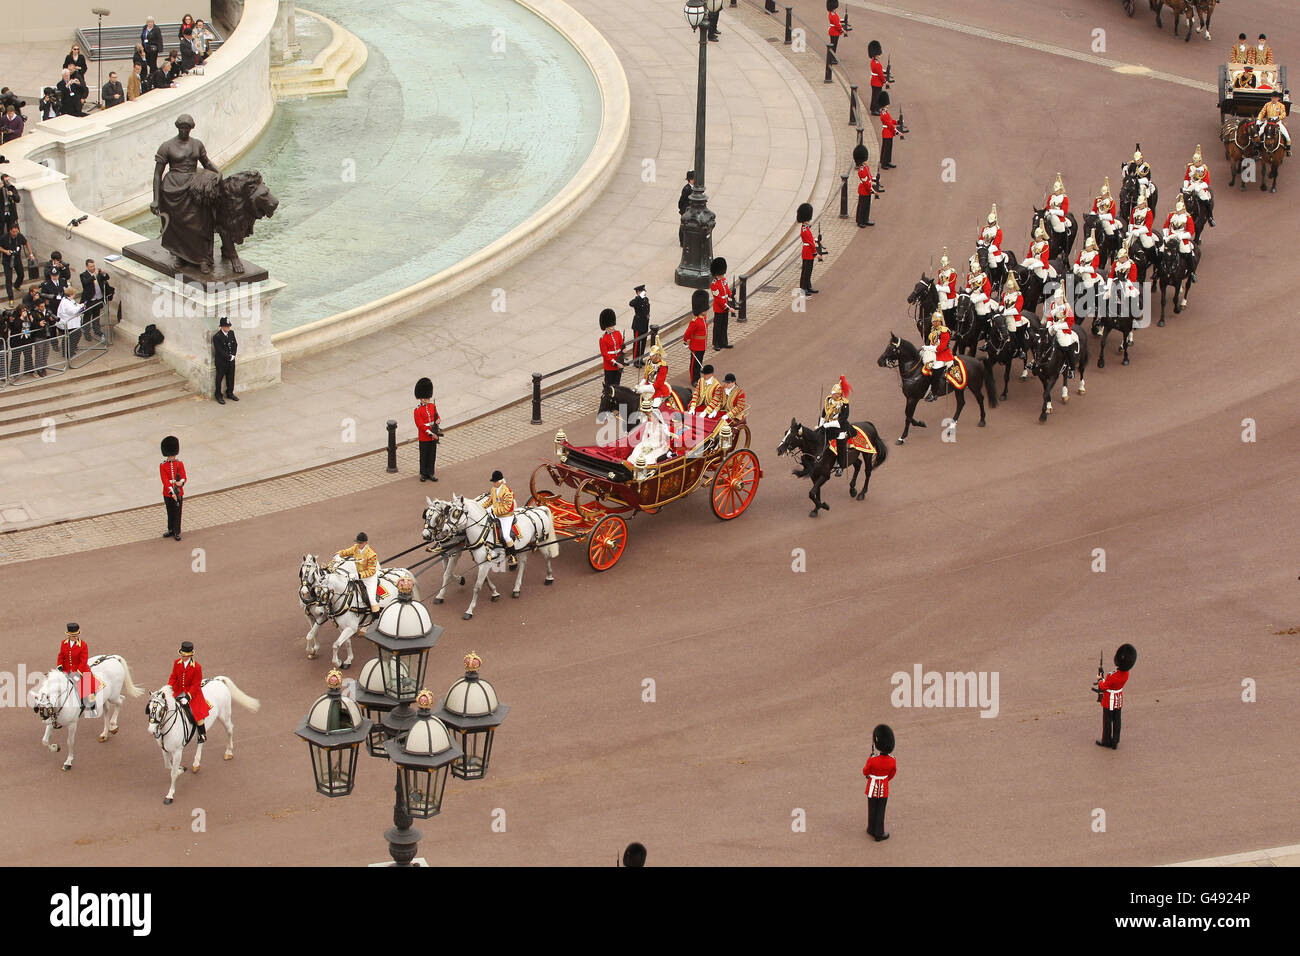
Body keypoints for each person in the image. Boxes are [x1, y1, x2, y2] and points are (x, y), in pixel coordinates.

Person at [151, 114, 222, 273]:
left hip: (193, 187)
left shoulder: (197, 144)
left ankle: (202, 258)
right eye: (181, 127)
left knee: (200, 223)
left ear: (191, 128)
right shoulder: (167, 146)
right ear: (177, 127)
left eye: (187, 128)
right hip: (172, 190)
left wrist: (218, 171)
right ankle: (180, 256)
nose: (184, 130)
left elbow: (206, 162)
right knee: (178, 225)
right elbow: (157, 174)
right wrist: (156, 199)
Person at [1093, 644, 1137, 749]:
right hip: (1118, 699)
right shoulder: (1126, 674)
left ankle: (1106, 740)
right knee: (1117, 720)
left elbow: (1104, 686)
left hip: (1109, 700)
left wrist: (1100, 679)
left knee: (1107, 721)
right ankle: (1115, 741)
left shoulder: (1112, 675)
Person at [168, 642, 208, 743]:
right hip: (178, 690)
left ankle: (202, 734)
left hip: (192, 693)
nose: (182, 657)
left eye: (184, 656)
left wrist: (187, 697)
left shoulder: (197, 667)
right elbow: (173, 677)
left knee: (197, 712)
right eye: (182, 655)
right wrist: (169, 687)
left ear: (190, 656)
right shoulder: (177, 663)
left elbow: (196, 685)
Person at [863, 724, 896, 842]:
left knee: (872, 807)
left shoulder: (873, 759)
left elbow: (865, 771)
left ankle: (871, 828)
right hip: (883, 787)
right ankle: (879, 833)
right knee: (880, 810)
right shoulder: (892, 760)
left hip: (872, 786)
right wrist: (884, 780)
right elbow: (892, 774)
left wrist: (870, 759)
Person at [336, 532, 381, 612]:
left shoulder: (372, 554)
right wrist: (338, 555)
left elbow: (371, 571)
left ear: (365, 543)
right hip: (357, 575)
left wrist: (357, 575)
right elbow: (345, 552)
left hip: (369, 579)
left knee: (372, 599)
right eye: (358, 542)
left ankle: (376, 614)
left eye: (360, 543)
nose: (358, 544)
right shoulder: (355, 548)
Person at [57, 623, 96, 713]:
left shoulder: (83, 645)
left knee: (88, 684)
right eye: (73, 636)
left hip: (80, 669)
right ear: (69, 635)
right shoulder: (63, 643)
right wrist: (59, 665)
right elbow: (61, 655)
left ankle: (91, 702)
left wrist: (78, 673)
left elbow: (83, 661)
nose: (75, 637)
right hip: (67, 669)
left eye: (77, 635)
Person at [999, 271, 1031, 378]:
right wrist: (1000, 308)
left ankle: (1021, 350)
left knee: (1015, 333)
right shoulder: (1005, 295)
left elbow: (1017, 309)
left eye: (1011, 288)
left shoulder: (1019, 296)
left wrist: (1005, 312)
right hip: (1005, 316)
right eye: (1008, 288)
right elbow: (1002, 304)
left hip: (1015, 318)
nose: (1009, 290)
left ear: (1014, 287)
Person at [817, 376, 851, 476]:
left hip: (840, 427)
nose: (832, 394)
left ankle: (840, 465)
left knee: (840, 444)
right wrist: (820, 426)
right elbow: (824, 413)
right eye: (832, 393)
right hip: (827, 425)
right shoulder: (829, 400)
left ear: (839, 394)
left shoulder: (844, 404)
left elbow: (842, 419)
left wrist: (826, 425)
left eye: (834, 393)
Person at [598, 307, 626, 420]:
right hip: (610, 367)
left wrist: (623, 350)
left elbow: (621, 344)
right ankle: (605, 411)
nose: (612, 328)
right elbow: (605, 354)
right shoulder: (603, 339)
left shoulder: (618, 333)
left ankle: (614, 406)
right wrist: (615, 363)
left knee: (617, 387)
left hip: (618, 365)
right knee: (609, 389)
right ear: (606, 327)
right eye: (610, 326)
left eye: (612, 326)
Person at [921, 312, 954, 400]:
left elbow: (942, 348)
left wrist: (929, 348)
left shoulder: (945, 332)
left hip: (943, 355)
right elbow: (932, 342)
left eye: (936, 321)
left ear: (940, 321)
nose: (934, 323)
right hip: (933, 352)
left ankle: (934, 393)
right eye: (933, 321)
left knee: (935, 370)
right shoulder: (934, 330)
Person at [414, 377, 441, 481]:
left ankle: (431, 472)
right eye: (424, 398)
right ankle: (423, 473)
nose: (426, 400)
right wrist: (430, 433)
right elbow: (420, 425)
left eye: (427, 398)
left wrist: (438, 420)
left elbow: (437, 416)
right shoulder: (417, 410)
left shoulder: (432, 406)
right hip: (424, 436)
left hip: (433, 434)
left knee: (432, 455)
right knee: (424, 455)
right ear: (420, 398)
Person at [160, 435, 186, 540]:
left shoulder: (180, 464)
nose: (171, 457)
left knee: (177, 512)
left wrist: (181, 482)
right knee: (170, 512)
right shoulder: (163, 465)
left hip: (178, 491)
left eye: (172, 455)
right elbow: (165, 481)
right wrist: (172, 493)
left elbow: (184, 476)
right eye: (170, 456)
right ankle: (170, 529)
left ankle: (177, 531)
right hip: (168, 493)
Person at [484, 473, 516, 557]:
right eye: (493, 482)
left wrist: (493, 510)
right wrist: (481, 507)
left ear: (500, 481)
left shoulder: (507, 492)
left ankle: (513, 555)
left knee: (506, 536)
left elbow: (506, 508)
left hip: (506, 516)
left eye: (495, 482)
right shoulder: (494, 489)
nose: (493, 483)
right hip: (496, 514)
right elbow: (490, 501)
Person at [1045, 287, 1079, 365]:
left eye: (1057, 298)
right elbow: (1050, 317)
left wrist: (1058, 327)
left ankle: (1071, 366)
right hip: (1053, 326)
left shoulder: (1067, 307)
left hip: (1063, 329)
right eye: (1055, 298)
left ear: (1061, 298)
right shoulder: (1053, 305)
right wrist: (1048, 327)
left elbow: (1070, 322)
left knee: (1066, 346)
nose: (1056, 299)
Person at [1, 222, 33, 302]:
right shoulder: (4, 237)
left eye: (16, 231)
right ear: (10, 231)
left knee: (21, 274)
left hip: (17, 259)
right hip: (7, 260)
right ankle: (11, 298)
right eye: (13, 232)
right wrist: (5, 251)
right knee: (8, 279)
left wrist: (31, 254)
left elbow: (26, 243)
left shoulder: (19, 236)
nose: (15, 233)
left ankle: (17, 285)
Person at [79, 259, 110, 340]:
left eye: (93, 266)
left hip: (98, 299)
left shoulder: (98, 272)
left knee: (96, 315)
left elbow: (107, 277)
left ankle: (97, 330)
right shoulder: (83, 275)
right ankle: (87, 333)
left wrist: (104, 273)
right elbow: (85, 283)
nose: (93, 268)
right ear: (87, 267)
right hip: (90, 300)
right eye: (91, 266)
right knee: (87, 317)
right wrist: (93, 276)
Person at [684, 289, 708, 385]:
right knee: (694, 364)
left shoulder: (703, 318)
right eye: (705, 309)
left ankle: (697, 377)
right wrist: (686, 342)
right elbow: (688, 333)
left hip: (702, 345)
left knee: (699, 363)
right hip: (695, 346)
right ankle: (694, 379)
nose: (707, 310)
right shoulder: (695, 322)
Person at [1256, 89, 1291, 156]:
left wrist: (1278, 117)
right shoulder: (1267, 105)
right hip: (1268, 122)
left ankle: (1288, 149)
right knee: (1258, 133)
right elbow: (1262, 113)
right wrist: (1259, 119)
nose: (1274, 99)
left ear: (1278, 98)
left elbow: (1284, 114)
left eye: (1275, 98)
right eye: (1273, 98)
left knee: (1287, 136)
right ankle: (1257, 149)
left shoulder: (1281, 106)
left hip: (1277, 123)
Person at [212, 316, 238, 402]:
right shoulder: (217, 337)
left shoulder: (231, 333)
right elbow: (219, 350)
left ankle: (230, 393)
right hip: (221, 362)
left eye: (229, 326)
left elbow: (235, 345)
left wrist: (233, 355)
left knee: (231, 377)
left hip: (231, 361)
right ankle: (218, 395)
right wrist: (229, 357)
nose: (228, 328)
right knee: (219, 379)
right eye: (227, 326)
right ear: (222, 327)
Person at [709, 257, 733, 348]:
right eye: (722, 273)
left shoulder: (724, 280)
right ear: (718, 274)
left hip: (725, 307)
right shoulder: (714, 284)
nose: (723, 275)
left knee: (724, 326)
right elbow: (718, 299)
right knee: (717, 327)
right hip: (719, 309)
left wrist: (731, 295)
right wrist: (728, 307)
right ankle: (716, 343)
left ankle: (724, 342)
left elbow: (727, 290)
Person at [641, 338, 670, 408]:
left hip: (657, 388)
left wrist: (645, 388)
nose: (650, 357)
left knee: (655, 405)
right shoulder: (648, 361)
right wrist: (640, 384)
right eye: (650, 355)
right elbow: (646, 375)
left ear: (657, 355)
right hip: (648, 384)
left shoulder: (663, 366)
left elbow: (659, 383)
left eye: (652, 355)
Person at [797, 203, 819, 295]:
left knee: (809, 271)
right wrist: (815, 253)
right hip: (808, 252)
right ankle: (803, 288)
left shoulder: (806, 227)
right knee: (805, 271)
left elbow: (810, 239)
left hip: (808, 252)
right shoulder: (805, 229)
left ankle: (808, 286)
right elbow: (810, 243)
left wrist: (815, 239)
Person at [1091, 177, 1120, 244]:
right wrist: (1092, 216)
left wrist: (1101, 217)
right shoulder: (1098, 200)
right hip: (1098, 218)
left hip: (1107, 220)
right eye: (1102, 194)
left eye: (1104, 194)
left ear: (1107, 193)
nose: (1103, 196)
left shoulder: (1111, 201)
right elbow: (1094, 210)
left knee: (1109, 231)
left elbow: (1112, 215)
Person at [965, 256, 993, 325]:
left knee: (981, 311)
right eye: (973, 271)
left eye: (975, 272)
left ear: (979, 270)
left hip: (981, 297)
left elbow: (987, 292)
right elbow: (968, 287)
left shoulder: (983, 277)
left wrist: (975, 299)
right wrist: (966, 293)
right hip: (971, 294)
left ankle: (982, 325)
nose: (974, 273)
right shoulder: (969, 276)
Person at [56, 288, 83, 359]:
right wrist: (81, 307)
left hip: (72, 323)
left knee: (73, 337)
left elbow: (75, 305)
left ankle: (70, 350)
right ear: (71, 294)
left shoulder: (70, 300)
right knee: (71, 338)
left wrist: (81, 305)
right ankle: (67, 353)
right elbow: (73, 311)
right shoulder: (65, 302)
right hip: (68, 324)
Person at [853, 144, 875, 227]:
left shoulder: (866, 167)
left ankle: (865, 219)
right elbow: (865, 182)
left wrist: (874, 179)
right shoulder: (861, 170)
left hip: (867, 190)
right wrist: (872, 190)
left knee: (867, 206)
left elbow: (869, 176)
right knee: (862, 206)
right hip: (864, 190)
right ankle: (860, 221)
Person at [977, 203, 1006, 268]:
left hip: (993, 251)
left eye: (992, 223)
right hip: (983, 249)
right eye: (989, 222)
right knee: (972, 260)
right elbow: (981, 238)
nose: (990, 224)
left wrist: (987, 250)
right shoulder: (984, 228)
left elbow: (996, 244)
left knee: (996, 265)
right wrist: (980, 244)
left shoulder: (998, 230)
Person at [628, 284, 650, 365]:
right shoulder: (637, 300)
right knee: (637, 343)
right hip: (638, 325)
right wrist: (639, 297)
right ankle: (635, 361)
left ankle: (641, 359)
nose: (644, 293)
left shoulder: (646, 299)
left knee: (643, 343)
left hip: (645, 324)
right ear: (638, 292)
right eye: (642, 292)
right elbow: (631, 303)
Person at [936, 247, 958, 313]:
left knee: (948, 311)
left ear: (948, 264)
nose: (943, 267)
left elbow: (950, 289)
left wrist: (939, 288)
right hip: (941, 295)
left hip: (950, 296)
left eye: (945, 266)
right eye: (943, 265)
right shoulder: (940, 272)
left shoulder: (952, 274)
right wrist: (937, 286)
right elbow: (939, 282)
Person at [868, 40, 885, 114]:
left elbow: (879, 70)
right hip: (877, 82)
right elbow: (880, 74)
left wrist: (885, 71)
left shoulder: (874, 61)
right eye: (878, 54)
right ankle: (874, 110)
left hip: (874, 81)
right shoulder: (876, 63)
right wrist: (884, 81)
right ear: (875, 54)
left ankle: (874, 108)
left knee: (875, 96)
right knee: (876, 96)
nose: (879, 55)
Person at [879, 104, 899, 169]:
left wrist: (897, 122)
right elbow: (889, 124)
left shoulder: (885, 112)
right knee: (886, 148)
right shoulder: (884, 113)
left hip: (888, 132)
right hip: (887, 132)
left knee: (888, 147)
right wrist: (896, 132)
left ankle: (887, 161)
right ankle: (884, 163)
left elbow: (890, 120)